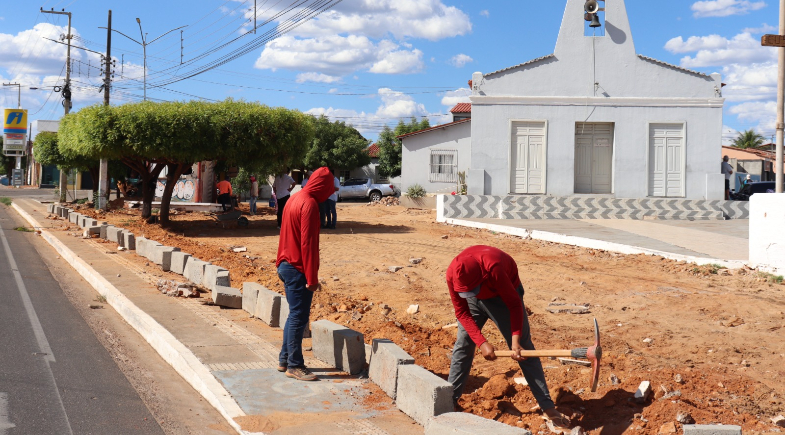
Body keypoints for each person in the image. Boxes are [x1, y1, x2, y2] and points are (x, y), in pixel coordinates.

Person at [446, 245, 570, 429]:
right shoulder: (453, 276)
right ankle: (449, 400)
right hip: (475, 298)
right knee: (463, 345)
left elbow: (514, 304)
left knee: (525, 350)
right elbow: (462, 313)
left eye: (473, 289)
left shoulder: (493, 267)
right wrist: (481, 342)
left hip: (502, 296)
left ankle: (547, 407)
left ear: (481, 276)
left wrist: (516, 341)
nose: (473, 294)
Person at [276, 167, 336, 381]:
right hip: (297, 268)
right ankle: (295, 365)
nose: (329, 194)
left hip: (285, 264)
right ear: (321, 187)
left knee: (294, 315)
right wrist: (311, 278)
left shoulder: (294, 198)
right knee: (299, 318)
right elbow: (307, 244)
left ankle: (284, 359)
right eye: (328, 189)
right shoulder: (309, 204)